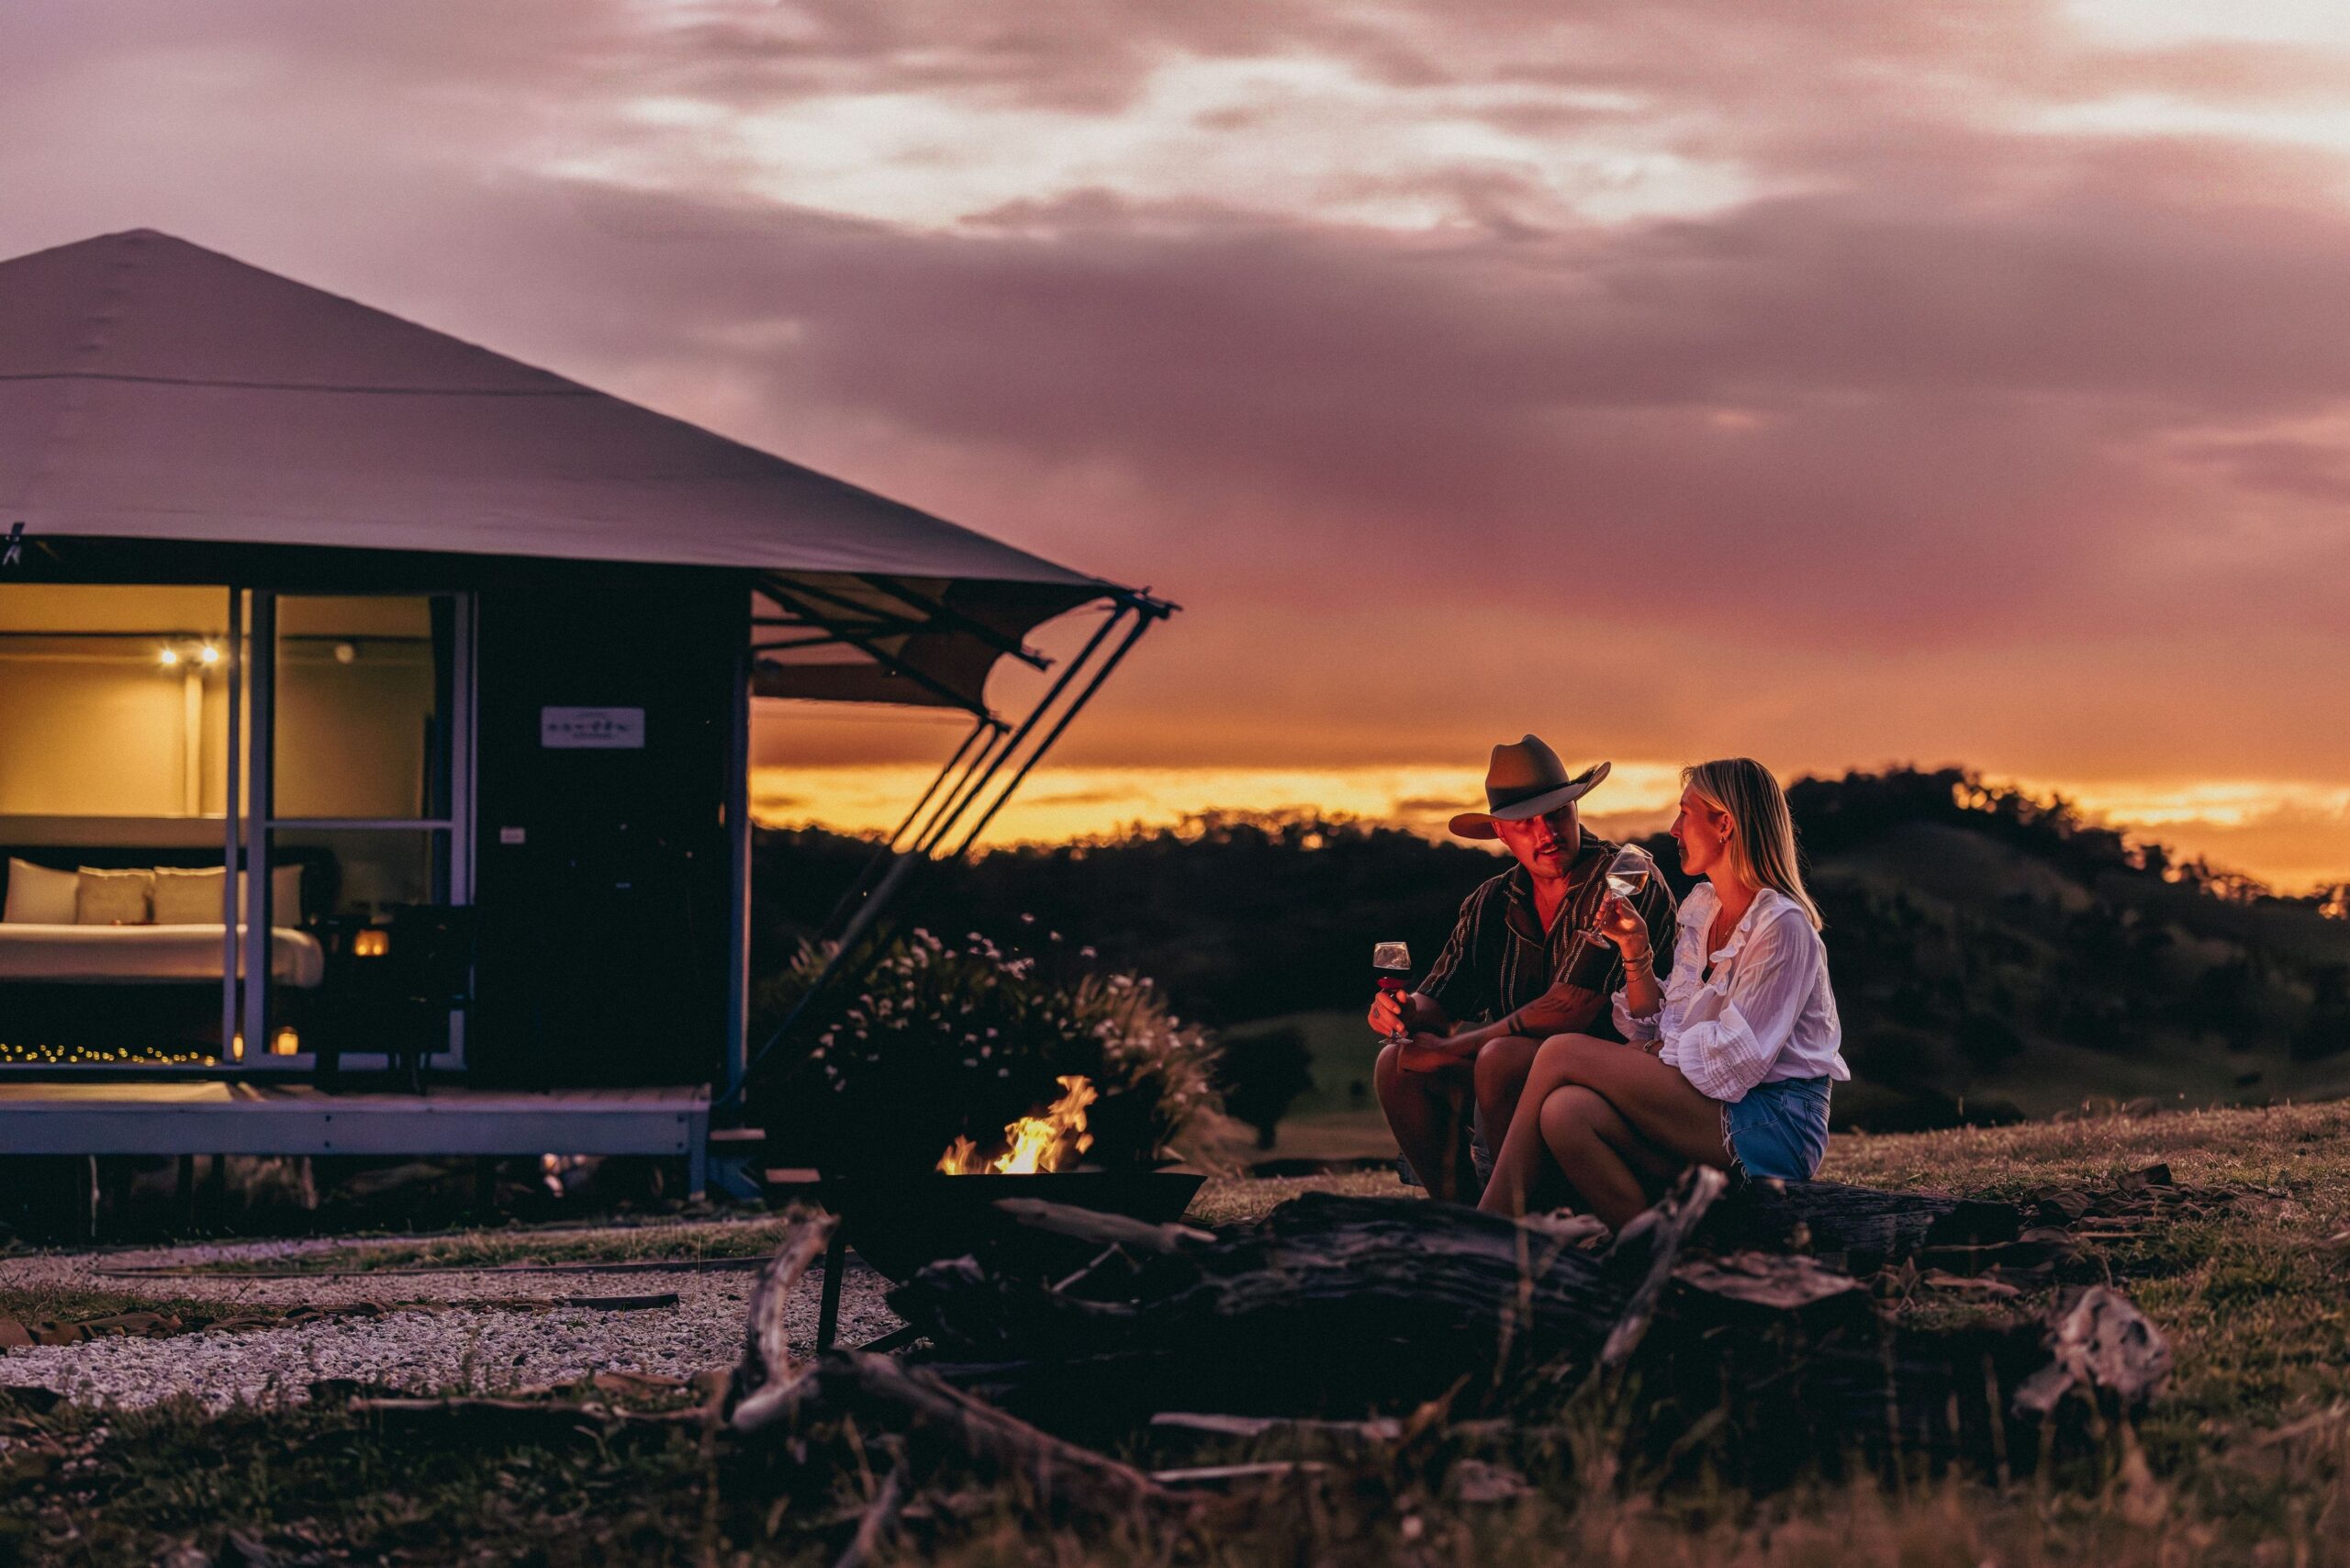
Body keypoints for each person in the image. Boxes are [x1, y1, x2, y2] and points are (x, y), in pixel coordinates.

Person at [1478, 757, 1846, 1228]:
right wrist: (1636, 951)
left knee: (1560, 1052)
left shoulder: (1781, 926)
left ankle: (1488, 1225)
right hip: (1716, 1106)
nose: (1674, 829)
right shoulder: (1705, 909)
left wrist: (1655, 1051)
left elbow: (1735, 1063)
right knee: (1565, 1112)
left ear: (1724, 825)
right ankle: (1655, 1251)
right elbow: (1663, 1025)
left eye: (1685, 813)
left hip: (1774, 1122)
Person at [1371, 735, 1677, 1203]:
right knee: (1393, 1064)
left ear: (1575, 808)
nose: (1547, 832)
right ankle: (1459, 1214)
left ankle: (1517, 1213)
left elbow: (1570, 1008)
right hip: (1511, 1079)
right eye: (1526, 822)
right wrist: (1404, 1012)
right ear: (1501, 832)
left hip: (1621, 1082)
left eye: (1556, 813)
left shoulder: (1624, 879)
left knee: (1502, 1058)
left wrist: (1449, 1050)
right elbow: (1440, 1003)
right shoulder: (1491, 901)